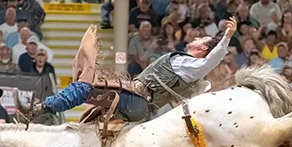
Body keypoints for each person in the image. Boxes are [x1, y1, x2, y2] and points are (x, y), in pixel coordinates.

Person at [33, 19, 237, 122]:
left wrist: (226, 37)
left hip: (140, 100)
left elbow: (211, 61)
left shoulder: (193, 67)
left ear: (203, 49)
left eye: (202, 39)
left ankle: (42, 108)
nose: (196, 38)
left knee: (87, 88)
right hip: (137, 98)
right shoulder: (186, 63)